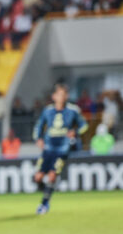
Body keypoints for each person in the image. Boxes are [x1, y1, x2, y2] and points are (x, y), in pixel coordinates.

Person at [32, 83, 88, 215]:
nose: (62, 97)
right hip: (48, 148)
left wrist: (75, 132)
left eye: (64, 94)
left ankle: (44, 204)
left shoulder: (73, 110)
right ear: (54, 96)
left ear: (67, 96)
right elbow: (38, 126)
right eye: (59, 94)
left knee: (52, 176)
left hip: (62, 149)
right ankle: (48, 191)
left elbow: (84, 126)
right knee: (38, 177)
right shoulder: (47, 111)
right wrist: (38, 139)